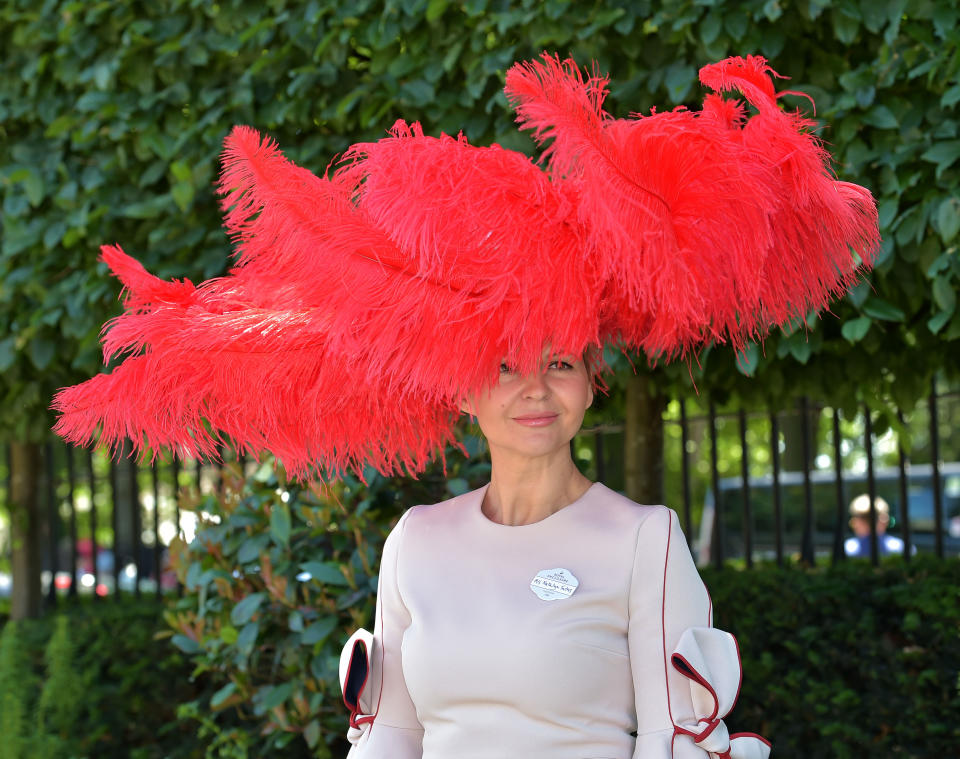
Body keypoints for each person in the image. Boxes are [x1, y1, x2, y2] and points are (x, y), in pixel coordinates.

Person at [338, 349, 771, 758]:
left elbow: (668, 739)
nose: (537, 388)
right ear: (463, 390)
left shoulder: (644, 537)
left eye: (560, 362)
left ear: (589, 384)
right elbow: (389, 734)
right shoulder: (416, 538)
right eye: (506, 365)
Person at [844, 494, 908, 558]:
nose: (869, 524)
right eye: (864, 518)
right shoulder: (846, 549)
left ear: (885, 520)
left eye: (874, 518)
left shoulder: (901, 548)